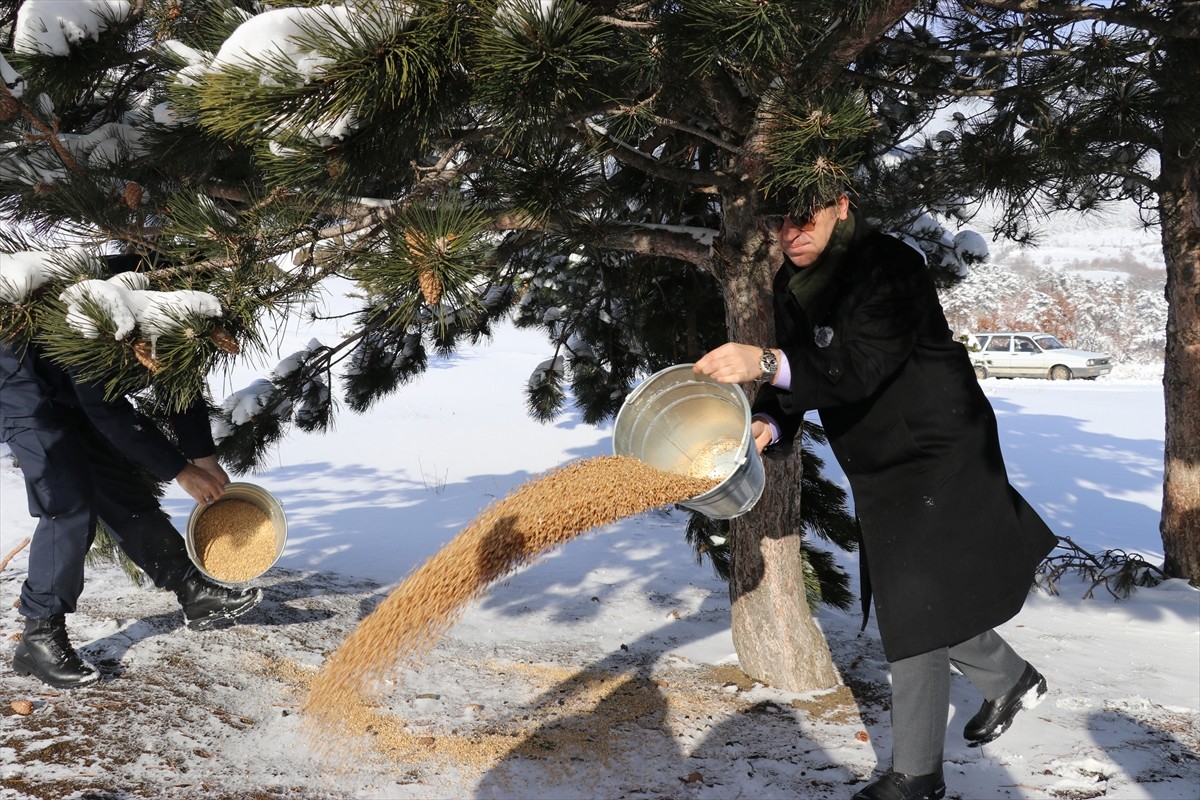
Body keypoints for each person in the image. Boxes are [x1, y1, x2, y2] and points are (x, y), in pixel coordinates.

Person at [694, 191, 1058, 800]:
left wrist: (762, 360)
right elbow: (803, 374)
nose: (790, 231)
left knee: (909, 600)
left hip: (937, 447)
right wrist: (772, 424)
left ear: (840, 204)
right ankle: (1008, 677)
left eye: (802, 214)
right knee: (918, 591)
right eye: (777, 220)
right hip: (881, 461)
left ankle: (916, 776)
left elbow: (862, 364)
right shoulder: (794, 284)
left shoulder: (889, 264)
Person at [2, 311, 262, 690]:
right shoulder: (107, 312)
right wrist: (180, 471)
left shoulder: (180, 308)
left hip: (65, 386)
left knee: (118, 488)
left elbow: (180, 384)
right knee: (67, 503)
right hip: (20, 386)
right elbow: (105, 409)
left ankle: (192, 590)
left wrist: (202, 456)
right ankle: (39, 635)